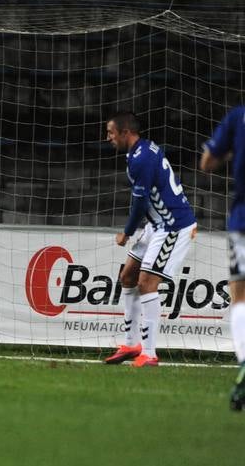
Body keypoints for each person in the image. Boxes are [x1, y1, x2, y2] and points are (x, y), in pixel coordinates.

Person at [102, 111, 197, 368]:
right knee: (128, 277)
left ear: (126, 133)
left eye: (111, 132)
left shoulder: (140, 160)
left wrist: (127, 232)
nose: (107, 137)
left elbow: (140, 201)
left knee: (146, 282)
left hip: (174, 225)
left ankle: (150, 353)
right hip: (157, 224)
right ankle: (131, 343)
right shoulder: (139, 151)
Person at [200, 104, 245, 410]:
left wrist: (231, 152)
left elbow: (207, 162)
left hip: (243, 220)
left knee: (240, 295)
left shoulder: (238, 116)